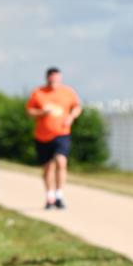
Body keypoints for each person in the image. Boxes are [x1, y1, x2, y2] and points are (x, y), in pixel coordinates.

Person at [26, 67, 81, 209]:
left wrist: (71, 117)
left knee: (61, 161)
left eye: (58, 79)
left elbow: (77, 107)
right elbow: (30, 112)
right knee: (48, 168)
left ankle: (59, 195)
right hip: (42, 136)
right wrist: (42, 112)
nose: (55, 82)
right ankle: (49, 196)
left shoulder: (68, 92)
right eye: (53, 79)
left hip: (62, 133)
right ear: (47, 78)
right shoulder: (38, 92)